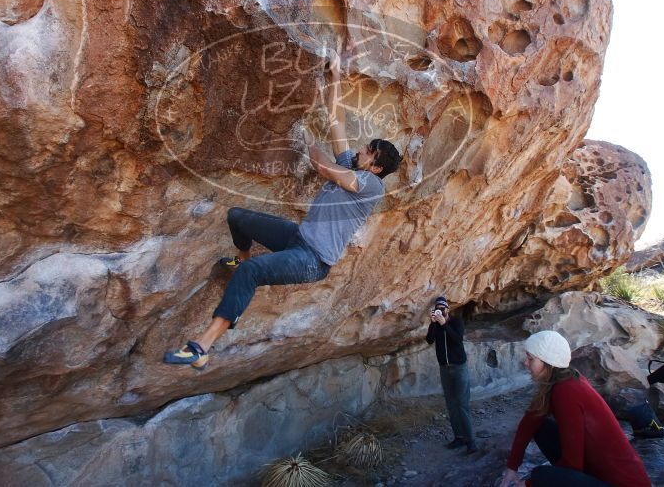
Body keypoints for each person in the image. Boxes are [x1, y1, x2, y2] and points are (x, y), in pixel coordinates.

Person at [163, 51, 402, 370]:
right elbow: (336, 121)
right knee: (238, 217)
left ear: (375, 166)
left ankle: (200, 347)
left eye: (367, 151)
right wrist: (334, 78)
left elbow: (323, 166)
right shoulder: (354, 168)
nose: (360, 150)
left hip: (312, 260)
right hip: (297, 239)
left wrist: (304, 135)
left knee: (252, 274)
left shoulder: (372, 187)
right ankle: (241, 259)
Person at [500, 330, 651, 487]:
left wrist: (528, 484)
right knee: (541, 427)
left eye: (530, 359)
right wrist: (512, 467)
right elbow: (530, 422)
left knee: (540, 475)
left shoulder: (566, 391)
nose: (526, 363)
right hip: (598, 474)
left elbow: (573, 464)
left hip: (620, 483)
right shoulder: (563, 380)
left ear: (548, 363)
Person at [426, 297, 477, 454]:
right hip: (445, 369)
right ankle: (459, 438)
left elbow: (457, 339)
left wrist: (444, 323)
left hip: (459, 368)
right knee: (451, 405)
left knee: (462, 405)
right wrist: (434, 323)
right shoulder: (436, 324)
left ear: (448, 309)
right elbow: (429, 340)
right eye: (438, 308)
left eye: (443, 308)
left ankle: (471, 442)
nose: (440, 310)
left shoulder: (456, 322)